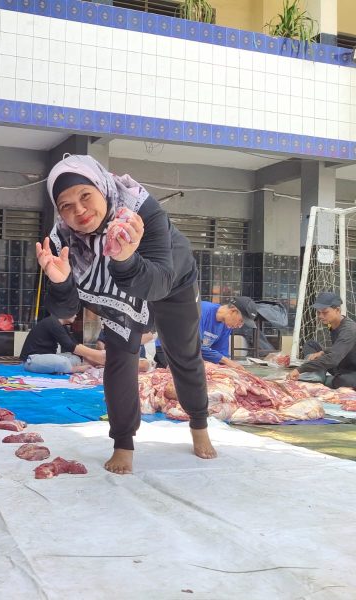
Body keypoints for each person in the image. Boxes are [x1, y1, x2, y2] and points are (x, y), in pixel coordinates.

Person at [36, 154, 217, 474]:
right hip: (117, 294)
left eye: (85, 196)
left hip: (170, 281)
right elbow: (64, 311)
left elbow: (158, 285)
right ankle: (123, 443)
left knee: (183, 352)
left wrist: (125, 260)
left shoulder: (142, 211)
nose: (78, 210)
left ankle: (199, 426)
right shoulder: (61, 239)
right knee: (120, 354)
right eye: (65, 205)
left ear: (101, 187)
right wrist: (61, 282)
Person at [153, 297, 258, 371]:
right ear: (233, 311)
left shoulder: (226, 326)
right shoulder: (201, 310)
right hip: (170, 350)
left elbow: (221, 353)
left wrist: (230, 370)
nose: (239, 326)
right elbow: (194, 344)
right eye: (241, 321)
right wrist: (226, 361)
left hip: (193, 356)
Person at [287, 291, 356, 388]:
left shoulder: (349, 329)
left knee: (342, 381)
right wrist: (323, 352)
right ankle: (316, 376)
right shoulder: (331, 324)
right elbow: (339, 347)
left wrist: (300, 369)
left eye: (325, 312)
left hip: (351, 370)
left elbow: (333, 359)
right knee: (311, 344)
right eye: (319, 312)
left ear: (337, 310)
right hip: (339, 364)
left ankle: (319, 377)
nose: (320, 316)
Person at [20, 309, 105, 374]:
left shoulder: (62, 326)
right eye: (73, 312)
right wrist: (99, 354)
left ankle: (62, 369)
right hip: (32, 360)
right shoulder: (52, 322)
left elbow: (75, 344)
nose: (76, 315)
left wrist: (94, 361)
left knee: (75, 358)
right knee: (62, 362)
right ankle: (72, 369)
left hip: (47, 357)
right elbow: (70, 346)